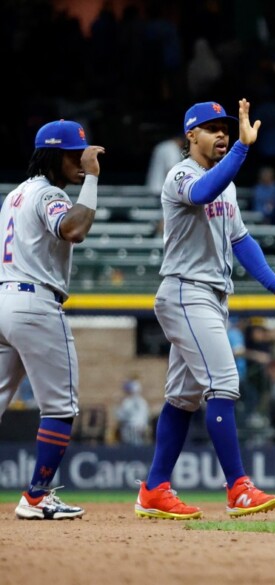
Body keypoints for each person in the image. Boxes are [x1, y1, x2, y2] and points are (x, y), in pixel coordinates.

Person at [135, 100, 275, 520]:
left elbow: (242, 242)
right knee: (224, 382)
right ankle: (238, 488)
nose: (221, 134)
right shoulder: (181, 175)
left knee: (182, 399)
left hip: (211, 296)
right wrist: (240, 148)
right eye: (211, 128)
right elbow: (203, 192)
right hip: (186, 290)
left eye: (225, 127)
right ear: (191, 136)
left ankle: (154, 490)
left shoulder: (228, 184)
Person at [0, 119, 105, 520]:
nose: (80, 160)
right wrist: (91, 180)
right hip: (34, 305)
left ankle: (38, 495)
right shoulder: (48, 195)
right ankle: (38, 496)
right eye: (73, 154)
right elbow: (74, 229)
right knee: (61, 407)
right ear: (52, 156)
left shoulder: (14, 195)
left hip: (3, 299)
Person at [116, 378, 150, 445]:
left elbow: (144, 415)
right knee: (127, 445)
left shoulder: (141, 402)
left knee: (138, 444)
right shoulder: (127, 401)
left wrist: (143, 425)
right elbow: (121, 416)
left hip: (137, 428)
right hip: (127, 427)